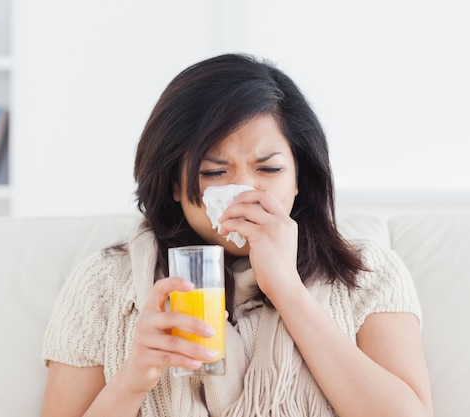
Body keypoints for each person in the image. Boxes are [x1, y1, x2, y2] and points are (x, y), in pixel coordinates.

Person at [39, 53, 434, 417]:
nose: (244, 192)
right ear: (175, 185)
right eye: (213, 173)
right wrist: (133, 378)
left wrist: (288, 290)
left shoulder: (366, 273)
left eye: (269, 170)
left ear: (300, 178)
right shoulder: (106, 284)